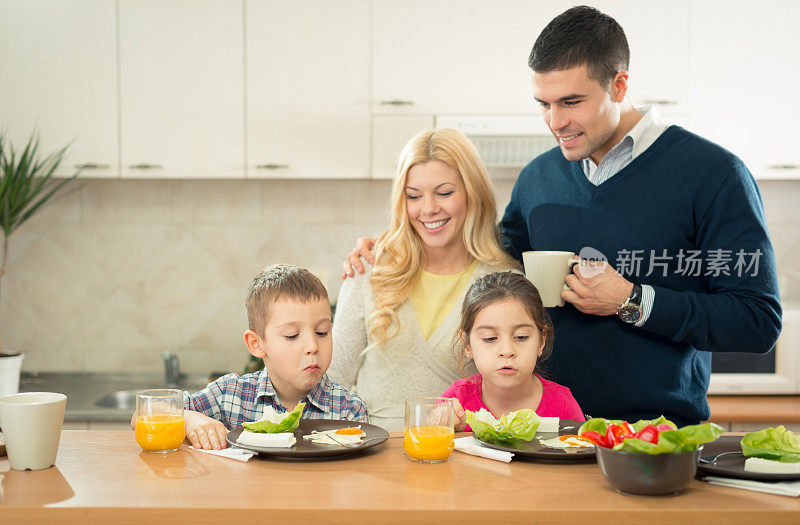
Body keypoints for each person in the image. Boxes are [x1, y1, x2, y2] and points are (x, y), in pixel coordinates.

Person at [343, 6, 781, 427]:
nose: (555, 122)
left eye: (571, 102)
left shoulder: (712, 174)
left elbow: (757, 322)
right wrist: (394, 240)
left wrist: (632, 300)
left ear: (620, 85)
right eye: (544, 103)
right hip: (541, 435)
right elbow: (481, 249)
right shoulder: (539, 178)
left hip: (652, 436)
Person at [328, 128, 519, 431]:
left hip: (461, 460)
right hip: (372, 457)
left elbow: (515, 396)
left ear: (473, 193)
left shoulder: (505, 285)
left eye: (444, 193)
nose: (428, 208)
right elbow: (332, 381)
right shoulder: (371, 270)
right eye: (413, 196)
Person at [178, 264, 368, 450]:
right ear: (257, 344)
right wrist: (189, 418)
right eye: (292, 335)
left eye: (322, 332)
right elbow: (153, 409)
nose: (312, 346)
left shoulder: (348, 410)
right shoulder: (229, 395)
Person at [443, 272, 584, 431]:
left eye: (521, 337)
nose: (507, 351)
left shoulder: (563, 405)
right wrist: (448, 431)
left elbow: (584, 452)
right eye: (490, 338)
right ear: (467, 345)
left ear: (541, 341)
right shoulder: (454, 403)